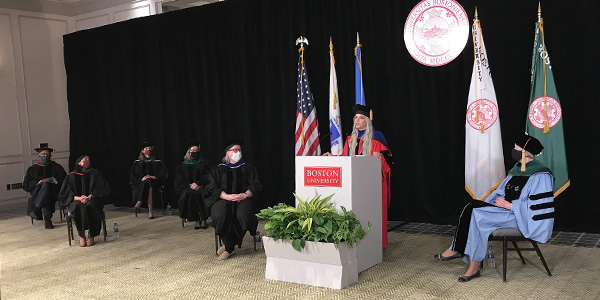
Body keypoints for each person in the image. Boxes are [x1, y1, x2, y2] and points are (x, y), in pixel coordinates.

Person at [434, 135, 554, 282]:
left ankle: (471, 265)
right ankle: (458, 250)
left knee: (477, 216)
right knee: (471, 206)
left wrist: (511, 205)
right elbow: (501, 191)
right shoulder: (517, 170)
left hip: (520, 217)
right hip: (504, 212)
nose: (513, 150)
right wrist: (494, 201)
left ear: (526, 152)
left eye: (517, 148)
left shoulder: (541, 174)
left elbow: (539, 205)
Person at [323, 104, 393, 248]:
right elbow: (345, 158)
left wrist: (379, 157)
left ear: (368, 120)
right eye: (356, 118)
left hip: (373, 184)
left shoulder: (377, 137)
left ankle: (377, 244)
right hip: (355, 183)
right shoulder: (351, 139)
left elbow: (389, 161)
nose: (357, 121)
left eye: (361, 118)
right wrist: (332, 157)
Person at [206, 141, 262, 260]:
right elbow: (212, 187)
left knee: (243, 214)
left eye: (239, 150)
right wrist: (227, 196)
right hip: (224, 198)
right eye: (235, 150)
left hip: (244, 198)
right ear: (228, 153)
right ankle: (229, 245)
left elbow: (256, 184)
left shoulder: (247, 167)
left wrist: (245, 195)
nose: (238, 152)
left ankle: (229, 246)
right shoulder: (218, 169)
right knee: (220, 214)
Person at [59, 155, 111, 247]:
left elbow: (100, 187)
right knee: (78, 206)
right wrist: (79, 198)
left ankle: (91, 235)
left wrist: (89, 197)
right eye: (85, 159)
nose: (88, 161)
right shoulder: (71, 176)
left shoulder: (95, 173)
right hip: (76, 200)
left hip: (92, 199)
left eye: (88, 159)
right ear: (79, 163)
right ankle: (82, 235)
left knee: (91, 206)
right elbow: (66, 193)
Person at [23, 143, 67, 229]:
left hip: (54, 190)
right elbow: (26, 185)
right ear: (39, 156)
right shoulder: (32, 169)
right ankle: (47, 220)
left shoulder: (56, 167)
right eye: (43, 154)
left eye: (47, 154)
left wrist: (52, 179)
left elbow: (64, 180)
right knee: (45, 190)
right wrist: (40, 181)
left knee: (47, 188)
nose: (45, 156)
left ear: (50, 155)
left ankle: (36, 208)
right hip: (37, 190)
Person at [174, 141, 211, 229]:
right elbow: (180, 180)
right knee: (189, 194)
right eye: (193, 150)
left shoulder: (205, 163)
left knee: (200, 193)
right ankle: (196, 219)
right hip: (188, 187)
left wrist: (198, 184)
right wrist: (191, 185)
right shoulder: (182, 166)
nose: (195, 152)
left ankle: (203, 219)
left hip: (202, 185)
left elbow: (208, 176)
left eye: (197, 150)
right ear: (188, 152)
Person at [130, 142, 167, 219]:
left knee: (149, 181)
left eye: (150, 148)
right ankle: (150, 211)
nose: (148, 150)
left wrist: (153, 176)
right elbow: (134, 176)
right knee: (148, 183)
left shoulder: (157, 161)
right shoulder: (138, 162)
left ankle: (139, 202)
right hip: (141, 183)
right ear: (143, 151)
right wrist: (142, 178)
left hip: (156, 181)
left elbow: (163, 174)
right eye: (146, 148)